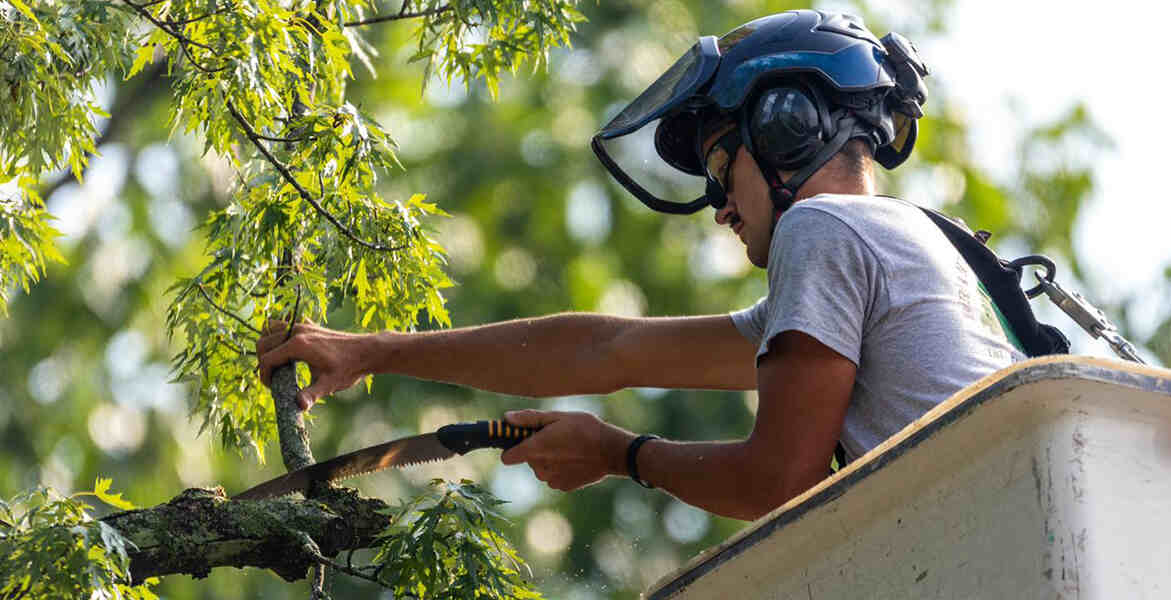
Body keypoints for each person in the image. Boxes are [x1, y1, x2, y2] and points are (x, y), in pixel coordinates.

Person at [256, 10, 1025, 521]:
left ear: (790, 124)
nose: (719, 206)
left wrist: (619, 454)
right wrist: (373, 351)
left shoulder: (823, 229)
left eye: (722, 165)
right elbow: (605, 350)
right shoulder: (900, 247)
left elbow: (778, 479)